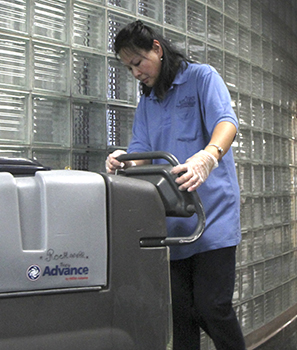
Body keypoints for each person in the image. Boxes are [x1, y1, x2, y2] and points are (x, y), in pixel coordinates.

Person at [105, 20, 245, 350]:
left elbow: (227, 122)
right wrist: (123, 159)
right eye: (129, 68)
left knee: (213, 307)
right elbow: (140, 150)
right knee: (180, 314)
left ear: (157, 48)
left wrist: (208, 157)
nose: (136, 73)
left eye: (138, 63)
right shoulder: (149, 101)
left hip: (213, 216)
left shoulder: (201, 78)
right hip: (172, 221)